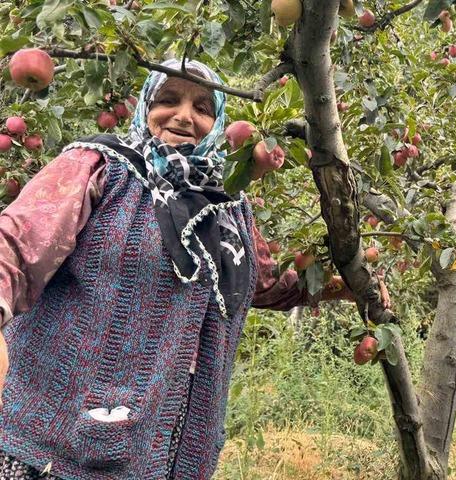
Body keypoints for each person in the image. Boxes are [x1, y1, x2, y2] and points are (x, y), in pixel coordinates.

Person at [0, 59, 385, 479]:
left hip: (174, 456)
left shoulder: (228, 205)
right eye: (168, 100)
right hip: (54, 451)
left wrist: (335, 288)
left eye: (202, 107)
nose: (184, 116)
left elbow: (263, 285)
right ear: (146, 106)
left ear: (217, 121)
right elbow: (20, 241)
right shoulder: (100, 166)